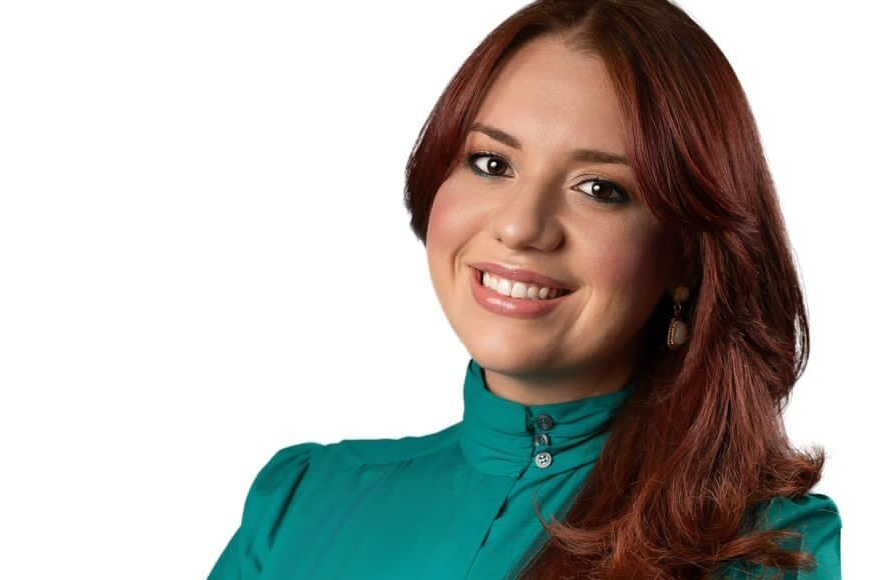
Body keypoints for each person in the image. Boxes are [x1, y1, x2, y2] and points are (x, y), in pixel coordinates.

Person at [207, 0, 841, 578]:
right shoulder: (301, 504)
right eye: (492, 163)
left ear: (687, 253)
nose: (520, 226)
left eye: (600, 189)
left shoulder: (765, 549)